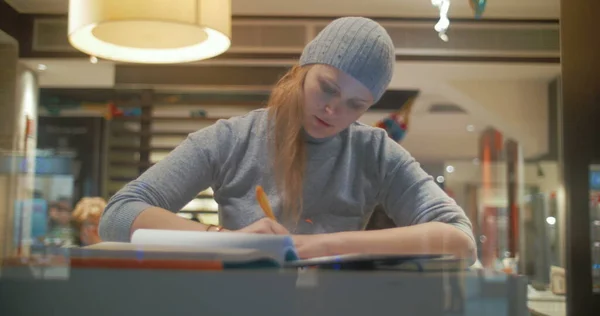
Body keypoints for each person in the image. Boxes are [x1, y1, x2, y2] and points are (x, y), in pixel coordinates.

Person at [99, 17, 476, 262]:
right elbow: (118, 215)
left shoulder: (376, 152)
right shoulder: (230, 139)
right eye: (327, 88)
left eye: (355, 105)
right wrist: (227, 240)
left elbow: (459, 239)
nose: (333, 110)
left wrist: (324, 245)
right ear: (301, 72)